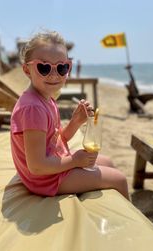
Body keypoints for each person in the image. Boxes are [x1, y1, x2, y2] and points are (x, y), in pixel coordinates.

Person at [10, 30, 129, 200]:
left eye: (62, 67)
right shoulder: (33, 109)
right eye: (43, 67)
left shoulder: (46, 98)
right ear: (27, 70)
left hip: (52, 167)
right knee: (120, 179)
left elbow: (58, 140)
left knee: (108, 162)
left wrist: (75, 122)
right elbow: (36, 166)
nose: (54, 75)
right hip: (46, 180)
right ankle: (130, 225)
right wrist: (74, 161)